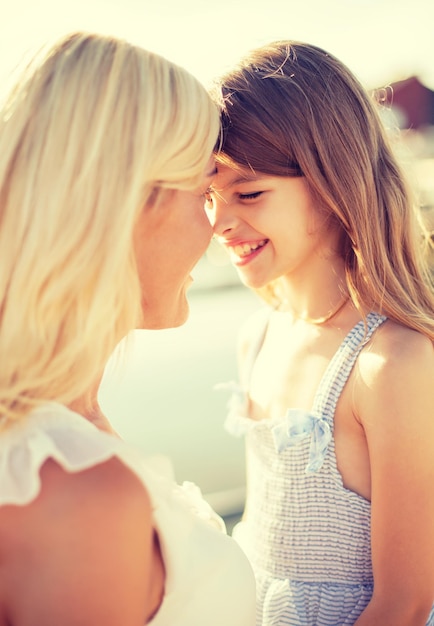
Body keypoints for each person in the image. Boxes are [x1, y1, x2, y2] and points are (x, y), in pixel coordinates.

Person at [0, 31, 256, 625]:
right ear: (127, 208)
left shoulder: (62, 437)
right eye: (204, 192)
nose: (218, 226)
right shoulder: (78, 499)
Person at [205, 40, 434, 625]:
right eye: (209, 196)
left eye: (248, 192)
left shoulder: (391, 365)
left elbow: (404, 605)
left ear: (333, 182)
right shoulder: (259, 335)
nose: (220, 222)